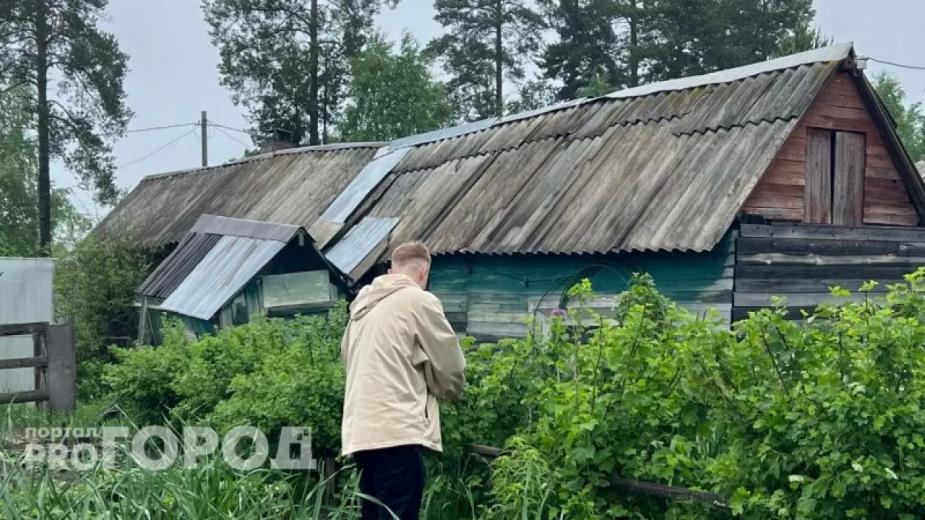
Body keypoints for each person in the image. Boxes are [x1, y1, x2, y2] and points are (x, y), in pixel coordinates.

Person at [340, 241, 467, 520]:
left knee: (374, 514)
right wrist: (450, 392)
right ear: (423, 274)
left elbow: (348, 360)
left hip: (360, 432)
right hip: (396, 430)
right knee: (400, 512)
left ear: (390, 270)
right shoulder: (418, 300)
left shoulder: (361, 310)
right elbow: (449, 363)